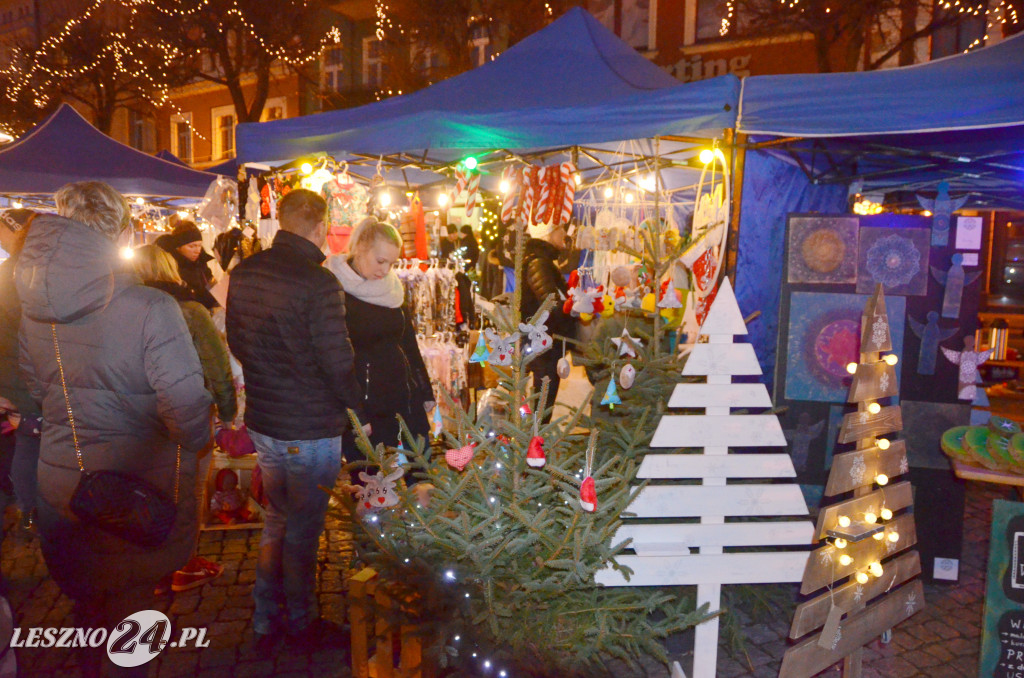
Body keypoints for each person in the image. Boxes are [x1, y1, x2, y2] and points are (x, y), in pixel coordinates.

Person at [15, 182, 212, 678]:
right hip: (131, 487)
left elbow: (37, 386)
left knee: (90, 604)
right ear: (121, 232)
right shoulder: (150, 307)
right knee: (131, 617)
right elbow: (186, 405)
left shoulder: (33, 303)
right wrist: (193, 444)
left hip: (62, 478)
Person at [226, 188, 367, 653]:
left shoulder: (244, 272)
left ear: (282, 222)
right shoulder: (319, 282)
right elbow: (337, 360)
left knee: (279, 520)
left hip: (266, 418)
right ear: (321, 226)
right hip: (307, 425)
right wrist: (357, 411)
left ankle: (268, 617)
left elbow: (238, 344)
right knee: (302, 529)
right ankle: (301, 622)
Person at [132, 244, 237, 592]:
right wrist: (227, 410)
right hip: (188, 412)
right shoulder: (191, 311)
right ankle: (182, 565)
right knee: (189, 489)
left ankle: (153, 567)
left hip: (139, 417)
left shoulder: (117, 312)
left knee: (148, 490)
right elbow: (216, 364)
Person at [326, 218, 434, 455]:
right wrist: (355, 413)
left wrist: (425, 389)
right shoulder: (333, 289)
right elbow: (334, 360)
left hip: (405, 397)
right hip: (366, 406)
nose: (385, 270)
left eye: (392, 263)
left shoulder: (392, 289)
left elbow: (408, 342)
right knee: (371, 485)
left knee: (421, 471)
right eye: (380, 261)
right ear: (361, 248)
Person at [0, 209, 41, 537]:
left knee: (28, 437)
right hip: (23, 372)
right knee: (29, 436)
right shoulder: (19, 273)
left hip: (19, 372)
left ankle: (31, 509)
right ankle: (32, 509)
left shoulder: (12, 271)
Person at [519, 222, 576, 423]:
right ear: (548, 233)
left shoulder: (544, 261)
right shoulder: (539, 263)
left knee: (543, 401)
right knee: (542, 403)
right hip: (542, 345)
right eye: (561, 229)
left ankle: (535, 444)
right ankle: (535, 447)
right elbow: (548, 302)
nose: (565, 234)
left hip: (544, 342)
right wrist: (572, 308)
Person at [156, 220, 219, 309]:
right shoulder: (169, 267)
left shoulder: (201, 264)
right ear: (178, 247)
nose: (197, 250)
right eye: (192, 246)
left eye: (199, 245)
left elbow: (212, 286)